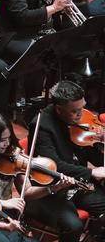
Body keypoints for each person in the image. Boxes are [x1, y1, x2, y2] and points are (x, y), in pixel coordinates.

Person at [0, 110, 84, 242]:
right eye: (2, 140)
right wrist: (1, 204)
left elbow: (27, 191)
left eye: (9, 138)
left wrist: (52, 188)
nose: (7, 144)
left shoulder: (13, 156)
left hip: (8, 216)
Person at [33, 81, 105, 222]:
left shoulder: (78, 119)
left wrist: (101, 144)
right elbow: (54, 166)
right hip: (60, 186)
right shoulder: (42, 127)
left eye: (82, 107)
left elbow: (94, 157)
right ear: (59, 109)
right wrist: (92, 172)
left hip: (81, 178)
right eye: (74, 111)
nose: (81, 114)